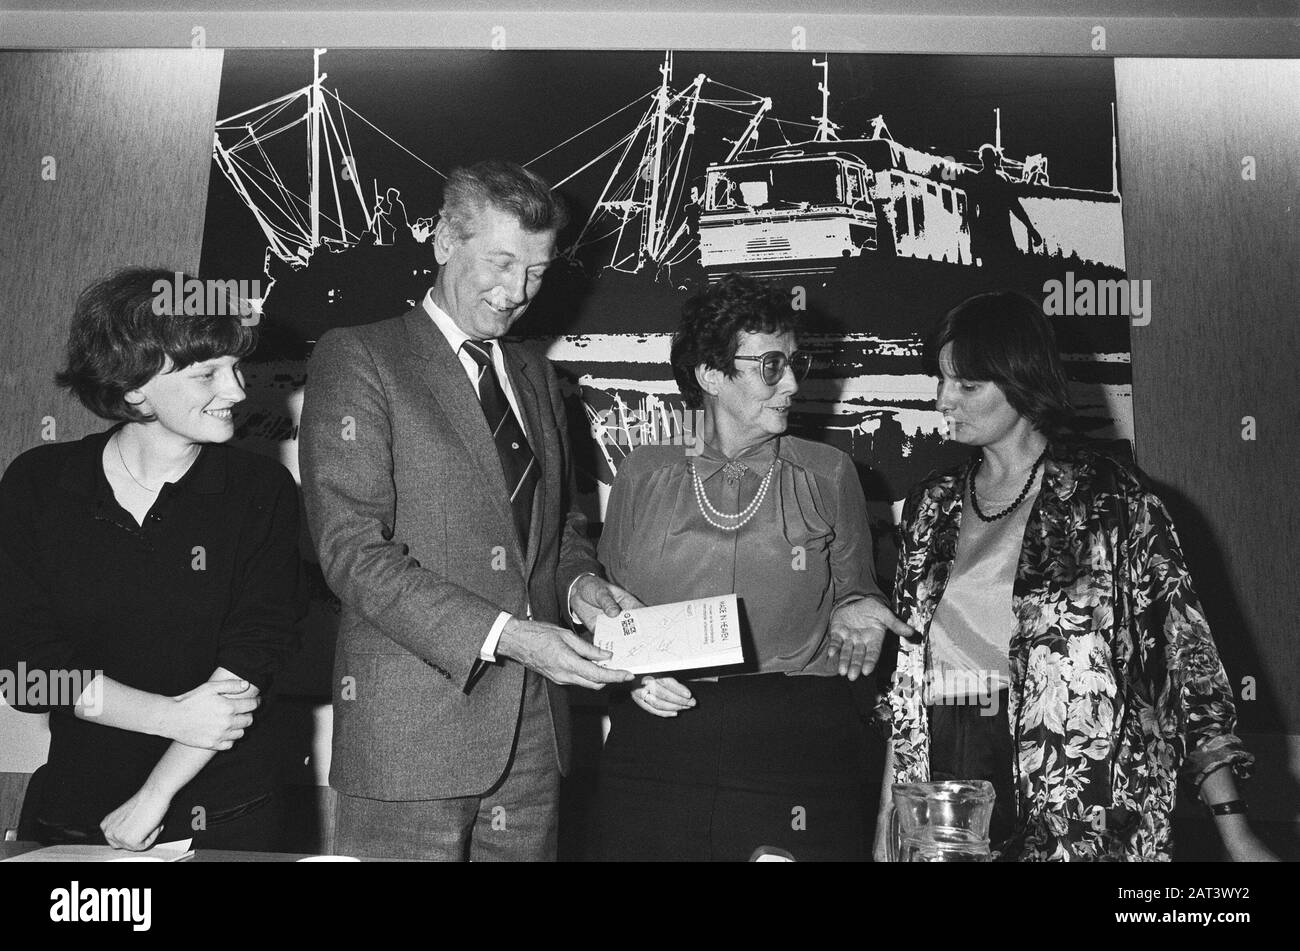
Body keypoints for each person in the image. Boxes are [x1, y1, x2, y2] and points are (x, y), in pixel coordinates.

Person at [299, 160, 636, 862]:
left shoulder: (537, 376)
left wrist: (583, 589)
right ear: (444, 242)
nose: (517, 292)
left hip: (536, 741)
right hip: (409, 744)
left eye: (537, 271)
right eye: (502, 261)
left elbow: (559, 532)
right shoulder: (359, 356)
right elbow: (352, 552)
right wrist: (511, 635)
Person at [876, 290, 1272, 861]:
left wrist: (1235, 833)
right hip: (946, 781)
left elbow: (1187, 668)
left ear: (1019, 382)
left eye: (965, 385)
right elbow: (906, 680)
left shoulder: (1111, 500)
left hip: (1079, 790)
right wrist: (890, 821)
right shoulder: (929, 507)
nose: (943, 400)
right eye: (940, 381)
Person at [588, 272, 915, 861]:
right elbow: (609, 610)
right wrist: (635, 673)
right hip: (660, 738)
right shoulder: (644, 472)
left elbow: (855, 592)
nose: (790, 382)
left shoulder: (830, 472)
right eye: (770, 366)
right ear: (711, 375)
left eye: (794, 364)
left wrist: (862, 608)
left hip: (791, 741)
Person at [0, 267, 306, 851]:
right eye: (207, 374)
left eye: (236, 368)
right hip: (76, 806)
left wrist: (154, 796)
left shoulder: (260, 490)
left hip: (225, 812)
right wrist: (167, 715)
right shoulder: (40, 483)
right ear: (134, 387)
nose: (238, 392)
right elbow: (26, 671)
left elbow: (250, 661)